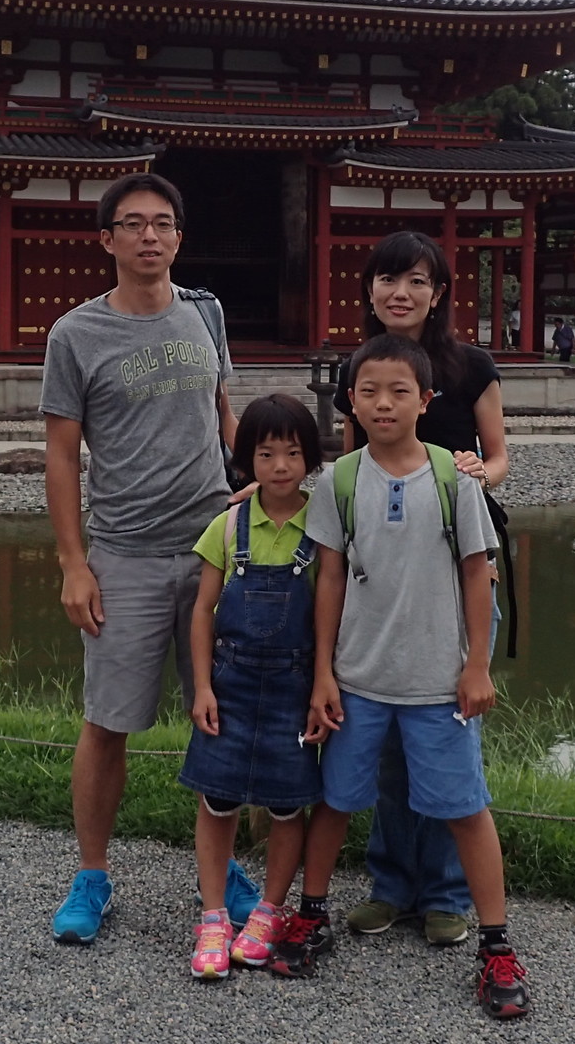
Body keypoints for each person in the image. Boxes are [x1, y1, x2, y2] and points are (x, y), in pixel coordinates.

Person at [273, 334, 530, 1020]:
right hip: (359, 679)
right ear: (349, 401)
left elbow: (479, 574)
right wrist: (323, 673)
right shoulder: (341, 480)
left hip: (437, 684)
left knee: (466, 807)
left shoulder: (454, 479)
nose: (383, 404)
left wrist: (475, 665)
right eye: (368, 391)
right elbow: (328, 578)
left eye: (398, 391)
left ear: (426, 400)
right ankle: (313, 912)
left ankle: (498, 945)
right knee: (336, 798)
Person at [42, 172, 246, 945]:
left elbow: (222, 412)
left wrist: (257, 486)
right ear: (108, 240)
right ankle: (92, 874)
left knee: (225, 714)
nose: (150, 236)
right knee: (107, 722)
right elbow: (61, 456)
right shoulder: (76, 334)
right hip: (123, 551)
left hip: (213, 548)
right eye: (133, 224)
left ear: (179, 237)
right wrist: (73, 562)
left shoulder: (204, 314)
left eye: (163, 223)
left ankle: (222, 870)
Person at [329, 231, 509, 952]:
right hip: (382, 575)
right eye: (385, 279)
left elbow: (500, 457)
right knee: (385, 743)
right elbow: (349, 470)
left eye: (414, 279)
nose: (398, 292)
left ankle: (444, 893)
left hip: (458, 564)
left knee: (446, 734)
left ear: (438, 292)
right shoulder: (361, 365)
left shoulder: (470, 365)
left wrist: (474, 477)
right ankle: (390, 884)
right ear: (368, 290)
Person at [180, 394, 325, 980]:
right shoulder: (228, 523)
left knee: (289, 805)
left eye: (293, 453)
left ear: (310, 458)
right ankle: (213, 915)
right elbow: (201, 612)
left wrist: (323, 684)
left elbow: (332, 615)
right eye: (266, 454)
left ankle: (268, 910)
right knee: (217, 798)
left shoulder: (325, 523)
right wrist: (201, 689)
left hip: (296, 683)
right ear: (247, 461)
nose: (281, 466)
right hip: (231, 679)